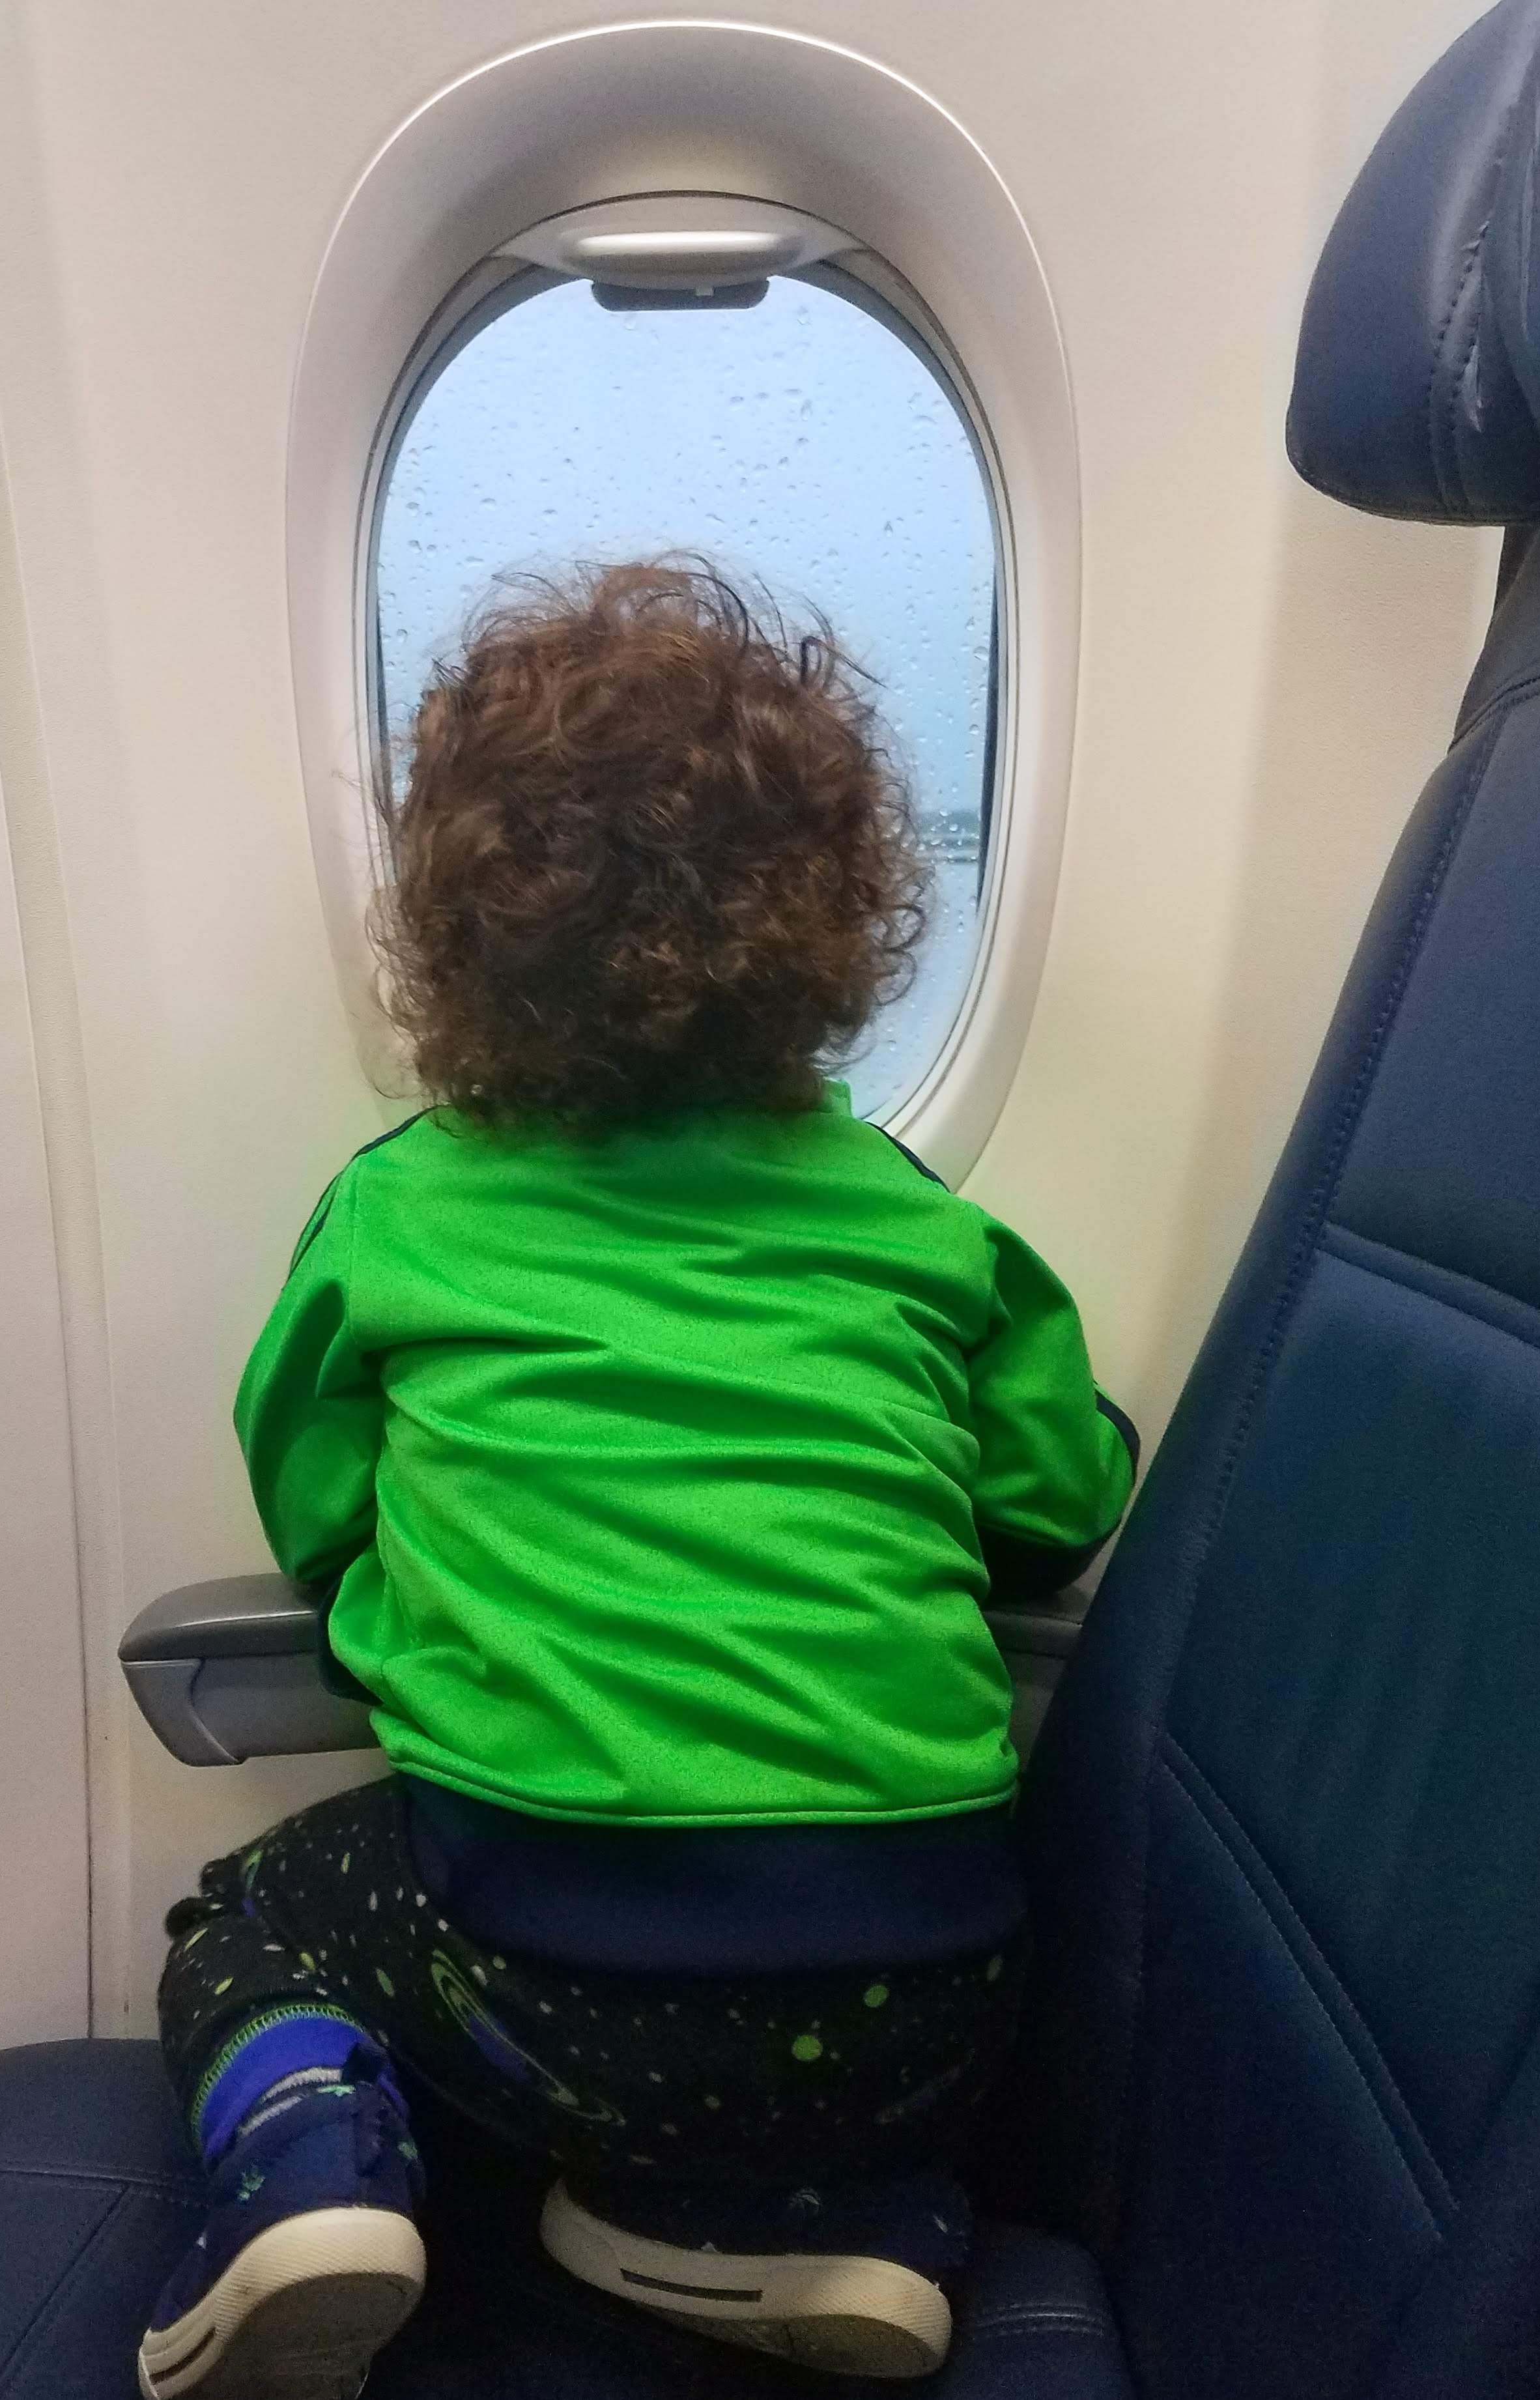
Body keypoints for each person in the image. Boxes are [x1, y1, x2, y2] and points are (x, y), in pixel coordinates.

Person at [137, 563, 1136, 2399]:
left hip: (544, 1980)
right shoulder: (921, 1229)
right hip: (927, 1993)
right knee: (815, 2066)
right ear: (834, 925)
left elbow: (315, 1501)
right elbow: (1060, 1502)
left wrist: (423, 1602)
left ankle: (306, 2167)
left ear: (450, 935)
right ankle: (812, 2215)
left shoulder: (397, 1208)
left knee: (255, 1914)